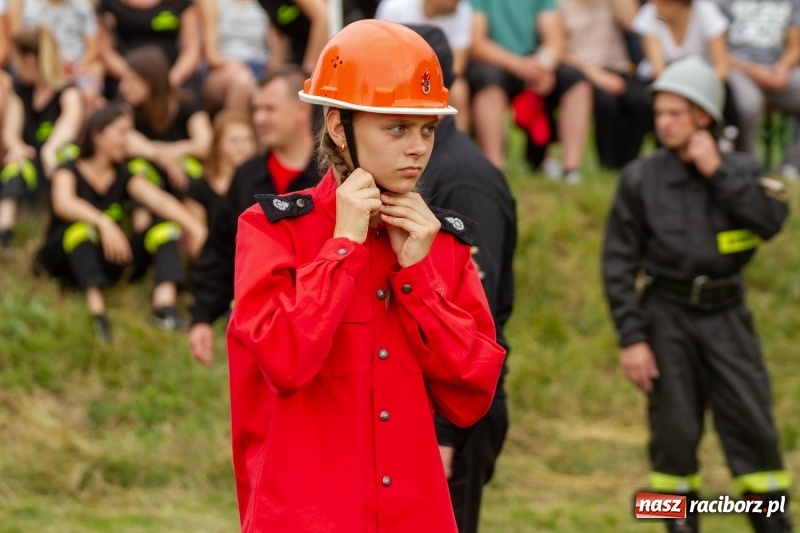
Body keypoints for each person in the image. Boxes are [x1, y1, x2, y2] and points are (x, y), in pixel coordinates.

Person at [226, 19, 505, 531]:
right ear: (338, 126)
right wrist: (342, 247)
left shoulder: (437, 241)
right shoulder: (270, 231)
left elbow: (472, 393)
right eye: (396, 127)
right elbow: (284, 363)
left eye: (427, 129)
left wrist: (419, 276)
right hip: (307, 517)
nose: (418, 147)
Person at [601, 56, 792, 533]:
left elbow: (770, 222)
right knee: (673, 437)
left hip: (728, 317)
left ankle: (771, 522)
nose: (662, 123)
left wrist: (717, 172)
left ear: (704, 117)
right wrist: (632, 338)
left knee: (754, 431)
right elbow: (618, 264)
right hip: (665, 319)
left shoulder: (742, 170)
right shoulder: (640, 179)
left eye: (675, 114)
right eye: (659, 114)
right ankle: (677, 523)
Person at [407, 24, 516, 533]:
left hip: (455, 413)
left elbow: (476, 318)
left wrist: (445, 435)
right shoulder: (416, 164)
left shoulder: (462, 179)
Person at [35, 101, 207, 341]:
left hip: (107, 258)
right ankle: (98, 315)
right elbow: (63, 204)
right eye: (121, 132)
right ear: (98, 135)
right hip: (64, 258)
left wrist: (194, 226)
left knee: (163, 228)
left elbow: (158, 200)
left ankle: (163, 308)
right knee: (80, 231)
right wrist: (103, 222)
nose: (127, 140)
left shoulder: (123, 174)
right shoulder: (69, 168)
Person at [187, 65, 319, 365]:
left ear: (301, 110)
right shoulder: (247, 176)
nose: (259, 119)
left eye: (270, 109)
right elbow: (221, 249)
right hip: (258, 334)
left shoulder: (331, 177)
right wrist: (202, 317)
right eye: (256, 109)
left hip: (321, 331)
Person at [467, 0, 592, 180]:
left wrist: (543, 66)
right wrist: (520, 66)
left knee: (577, 82)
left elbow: (555, 39)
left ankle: (571, 170)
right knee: (488, 81)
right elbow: (478, 44)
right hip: (495, 63)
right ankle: (494, 169)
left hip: (534, 63)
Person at [0, 26, 83, 249]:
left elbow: (69, 126)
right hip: (31, 162)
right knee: (15, 164)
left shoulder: (68, 91)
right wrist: (16, 146)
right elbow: (10, 131)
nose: (13, 66)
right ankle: (4, 231)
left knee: (68, 156)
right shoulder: (20, 92)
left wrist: (50, 149)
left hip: (54, 163)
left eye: (16, 60)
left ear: (29, 60)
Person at [560, 0, 650, 169]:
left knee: (639, 101)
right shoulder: (560, 4)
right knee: (606, 103)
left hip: (618, 67)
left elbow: (634, 24)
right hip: (582, 70)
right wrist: (596, 75)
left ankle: (630, 164)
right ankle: (607, 165)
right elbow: (560, 51)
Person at [119, 45, 212, 196]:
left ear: (151, 81)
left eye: (131, 80)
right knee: (136, 171)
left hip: (182, 176)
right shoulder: (126, 107)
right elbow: (125, 139)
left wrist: (173, 152)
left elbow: (205, 144)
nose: (123, 87)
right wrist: (162, 158)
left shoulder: (187, 102)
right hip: (151, 175)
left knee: (192, 173)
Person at [715, 0, 800, 156]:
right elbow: (716, 49)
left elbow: (795, 46)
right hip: (736, 69)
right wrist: (754, 71)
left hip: (777, 71)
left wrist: (782, 68)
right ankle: (747, 167)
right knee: (748, 105)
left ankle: (792, 169)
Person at [376, 0, 475, 132]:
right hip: (396, 76)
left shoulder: (462, 10)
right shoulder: (394, 7)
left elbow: (457, 65)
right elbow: (379, 52)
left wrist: (430, 84)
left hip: (439, 79)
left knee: (459, 90)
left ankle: (455, 143)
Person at [97, 0, 201, 92]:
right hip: (125, 79)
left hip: (172, 78)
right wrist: (133, 78)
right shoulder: (109, 4)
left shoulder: (180, 3)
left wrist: (173, 78)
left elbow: (191, 49)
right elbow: (104, 49)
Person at [183, 110, 258, 232]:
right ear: (218, 145)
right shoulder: (198, 189)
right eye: (234, 141)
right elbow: (196, 240)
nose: (244, 148)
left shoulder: (262, 183)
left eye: (249, 140)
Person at [197, 0, 269, 115]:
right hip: (222, 66)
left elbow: (275, 51)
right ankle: (235, 129)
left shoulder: (266, 4)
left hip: (259, 67)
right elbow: (211, 55)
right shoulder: (211, 3)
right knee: (241, 81)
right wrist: (231, 64)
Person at [257, 0, 328, 74]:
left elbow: (324, 18)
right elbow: (279, 30)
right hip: (298, 53)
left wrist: (309, 67)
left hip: (325, 50)